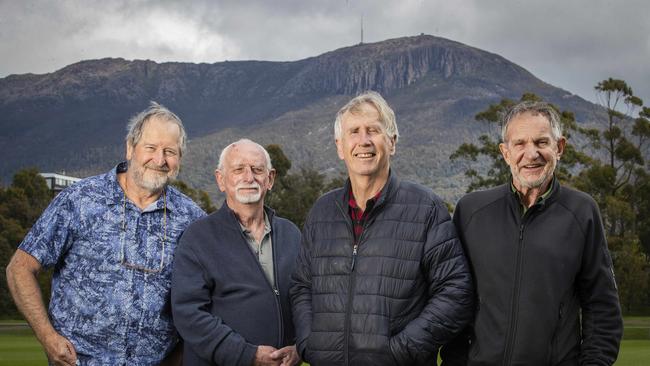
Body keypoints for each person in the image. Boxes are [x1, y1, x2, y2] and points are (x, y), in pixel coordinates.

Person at [6, 102, 205, 365]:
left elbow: (208, 299)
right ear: (130, 148)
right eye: (151, 148)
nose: (160, 160)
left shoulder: (191, 218)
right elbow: (20, 268)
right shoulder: (80, 200)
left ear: (179, 158)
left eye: (170, 151)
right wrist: (48, 338)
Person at [290, 91, 474, 366]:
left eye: (373, 130)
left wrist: (400, 351)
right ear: (340, 147)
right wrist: (309, 343)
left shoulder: (426, 209)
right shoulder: (322, 212)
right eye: (354, 132)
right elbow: (302, 286)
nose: (363, 141)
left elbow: (456, 291)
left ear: (392, 142)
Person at [442, 101, 623, 365]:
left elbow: (602, 307)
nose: (531, 153)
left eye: (541, 142)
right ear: (505, 153)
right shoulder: (471, 211)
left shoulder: (583, 212)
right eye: (520, 144)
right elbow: (454, 300)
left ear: (559, 148)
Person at [171, 139, 301, 366]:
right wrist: (247, 355)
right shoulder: (199, 238)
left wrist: (301, 347)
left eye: (257, 169)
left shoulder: (291, 234)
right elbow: (188, 313)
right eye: (238, 169)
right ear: (221, 180)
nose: (249, 177)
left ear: (270, 179)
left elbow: (306, 297)